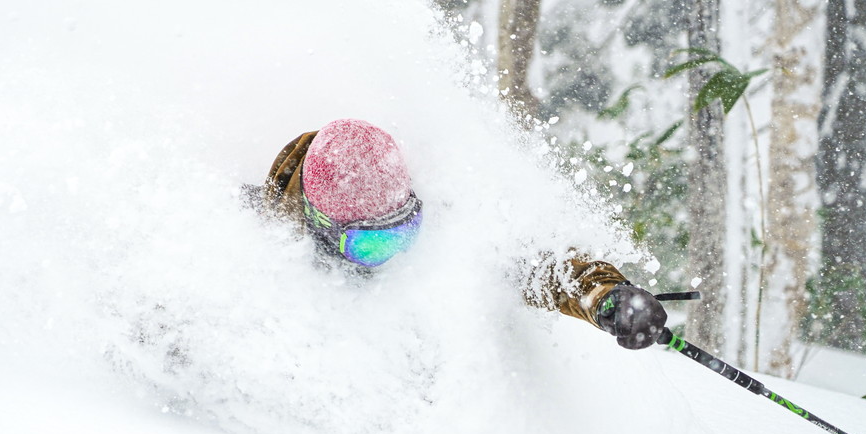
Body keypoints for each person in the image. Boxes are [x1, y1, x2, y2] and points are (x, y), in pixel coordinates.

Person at [255, 118, 667, 350]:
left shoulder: (447, 207)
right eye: (373, 245)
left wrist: (603, 296)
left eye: (405, 232)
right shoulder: (254, 247)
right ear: (323, 227)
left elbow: (535, 263)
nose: (396, 256)